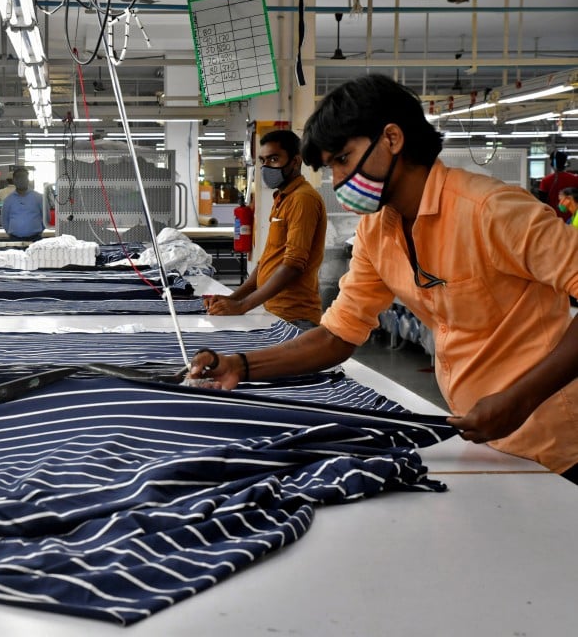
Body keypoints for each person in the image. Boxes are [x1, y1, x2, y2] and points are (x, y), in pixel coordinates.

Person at [188, 74, 578, 483]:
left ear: (391, 138)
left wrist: (521, 398)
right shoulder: (378, 232)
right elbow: (338, 334)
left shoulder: (492, 211)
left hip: (553, 441)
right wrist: (241, 366)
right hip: (481, 442)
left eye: (343, 159)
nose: (338, 182)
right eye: (331, 167)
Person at [203, 130, 326, 328]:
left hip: (295, 316)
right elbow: (267, 261)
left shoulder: (303, 199)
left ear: (296, 161)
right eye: (263, 160)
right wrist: (232, 298)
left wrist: (242, 306)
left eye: (274, 159)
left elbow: (293, 265)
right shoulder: (282, 197)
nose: (267, 166)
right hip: (275, 311)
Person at [1, 168, 44, 241]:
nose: (21, 180)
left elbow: (47, 218)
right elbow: (4, 220)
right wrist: (10, 233)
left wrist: (40, 230)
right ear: (14, 180)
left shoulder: (39, 197)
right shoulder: (8, 200)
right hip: (14, 239)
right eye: (18, 178)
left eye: (24, 177)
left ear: (27, 180)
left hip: (35, 239)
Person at [538, 151, 578, 220]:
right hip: (572, 218)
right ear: (564, 163)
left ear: (552, 163)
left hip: (553, 218)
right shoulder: (575, 179)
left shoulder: (546, 180)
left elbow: (542, 203)